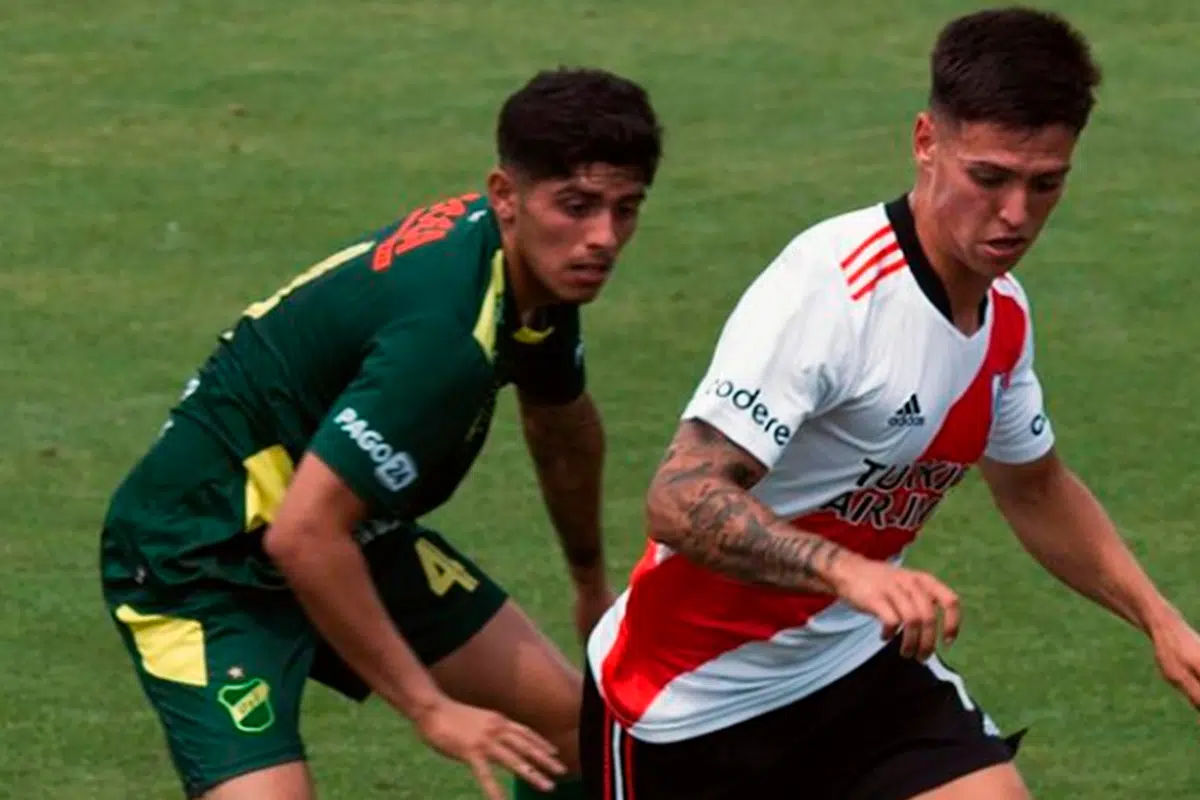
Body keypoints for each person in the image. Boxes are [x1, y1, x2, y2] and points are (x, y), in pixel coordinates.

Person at [581, 8, 1200, 800]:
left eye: (1045, 183)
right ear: (925, 141)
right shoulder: (831, 291)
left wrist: (1160, 621)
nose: (1017, 214)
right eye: (989, 178)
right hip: (686, 702)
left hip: (855, 671)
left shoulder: (1003, 313)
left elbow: (1035, 487)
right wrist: (847, 571)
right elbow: (679, 496)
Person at [99, 66, 664, 800]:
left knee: (574, 736)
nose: (603, 239)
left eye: (626, 209)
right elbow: (302, 537)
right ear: (505, 195)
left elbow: (561, 423)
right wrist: (430, 710)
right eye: (577, 206)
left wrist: (590, 585)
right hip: (202, 558)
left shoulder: (536, 270)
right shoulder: (443, 338)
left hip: (349, 527)